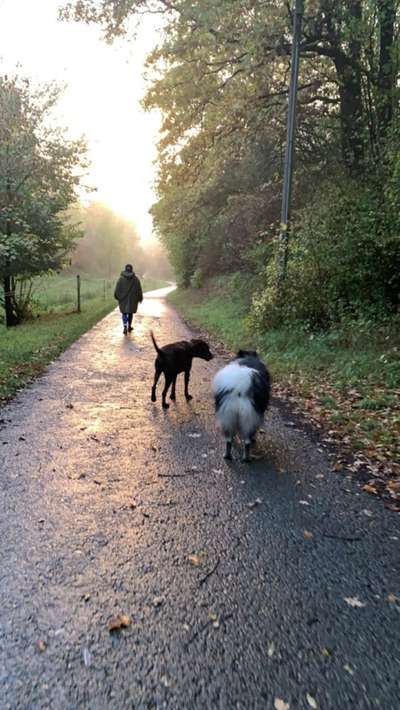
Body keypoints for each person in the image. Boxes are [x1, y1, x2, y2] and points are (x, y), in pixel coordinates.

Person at [114, 264, 143, 335]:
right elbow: (139, 289)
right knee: (130, 313)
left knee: (124, 313)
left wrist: (117, 296)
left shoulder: (121, 279)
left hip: (123, 300)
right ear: (132, 269)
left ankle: (125, 327)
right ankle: (129, 326)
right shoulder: (136, 279)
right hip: (133, 300)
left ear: (125, 269)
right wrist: (140, 298)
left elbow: (117, 289)